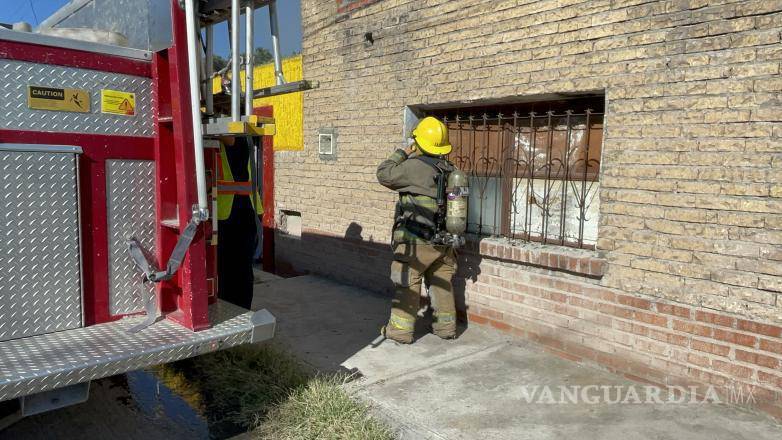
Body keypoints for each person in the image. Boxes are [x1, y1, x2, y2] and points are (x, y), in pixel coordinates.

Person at [376, 116, 458, 344]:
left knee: (407, 283)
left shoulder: (413, 167)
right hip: (444, 242)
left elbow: (383, 173)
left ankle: (399, 331)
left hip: (415, 241)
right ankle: (446, 328)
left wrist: (403, 152)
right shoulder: (451, 170)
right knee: (442, 285)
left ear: (418, 141)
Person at [216, 136, 263, 309]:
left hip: (238, 212)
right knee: (228, 270)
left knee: (236, 270)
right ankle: (231, 309)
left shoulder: (238, 136)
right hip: (232, 212)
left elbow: (229, 139)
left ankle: (239, 311)